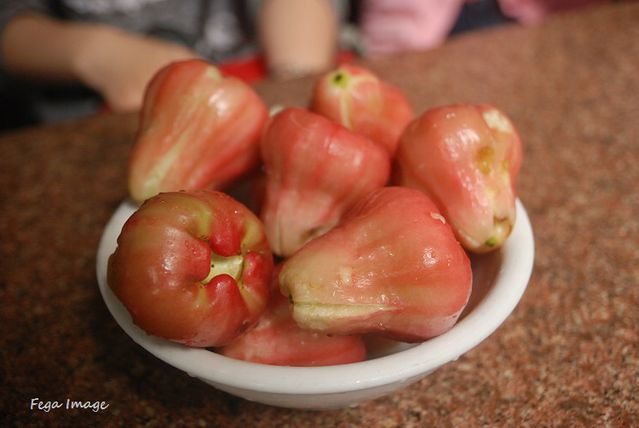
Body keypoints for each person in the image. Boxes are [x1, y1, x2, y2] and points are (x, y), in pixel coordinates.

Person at [0, 0, 341, 130]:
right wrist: (94, 53)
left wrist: (294, 76)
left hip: (254, 81)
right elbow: (11, 24)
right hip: (100, 121)